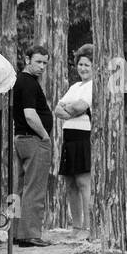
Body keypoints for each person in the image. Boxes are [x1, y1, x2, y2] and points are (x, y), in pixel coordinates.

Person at [13, 44, 53, 247]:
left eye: (45, 63)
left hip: (21, 138)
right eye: (38, 61)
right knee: (35, 188)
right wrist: (45, 135)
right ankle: (30, 234)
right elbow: (30, 114)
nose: (42, 66)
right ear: (27, 59)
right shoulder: (28, 82)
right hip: (33, 139)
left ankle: (17, 232)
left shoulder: (20, 80)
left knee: (20, 187)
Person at [54, 43, 93, 238]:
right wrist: (72, 109)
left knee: (83, 182)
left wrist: (69, 109)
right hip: (69, 138)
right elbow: (57, 109)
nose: (83, 68)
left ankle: (88, 227)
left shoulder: (95, 86)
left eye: (87, 64)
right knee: (70, 183)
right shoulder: (75, 86)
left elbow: (79, 107)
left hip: (84, 137)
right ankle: (76, 226)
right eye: (80, 64)